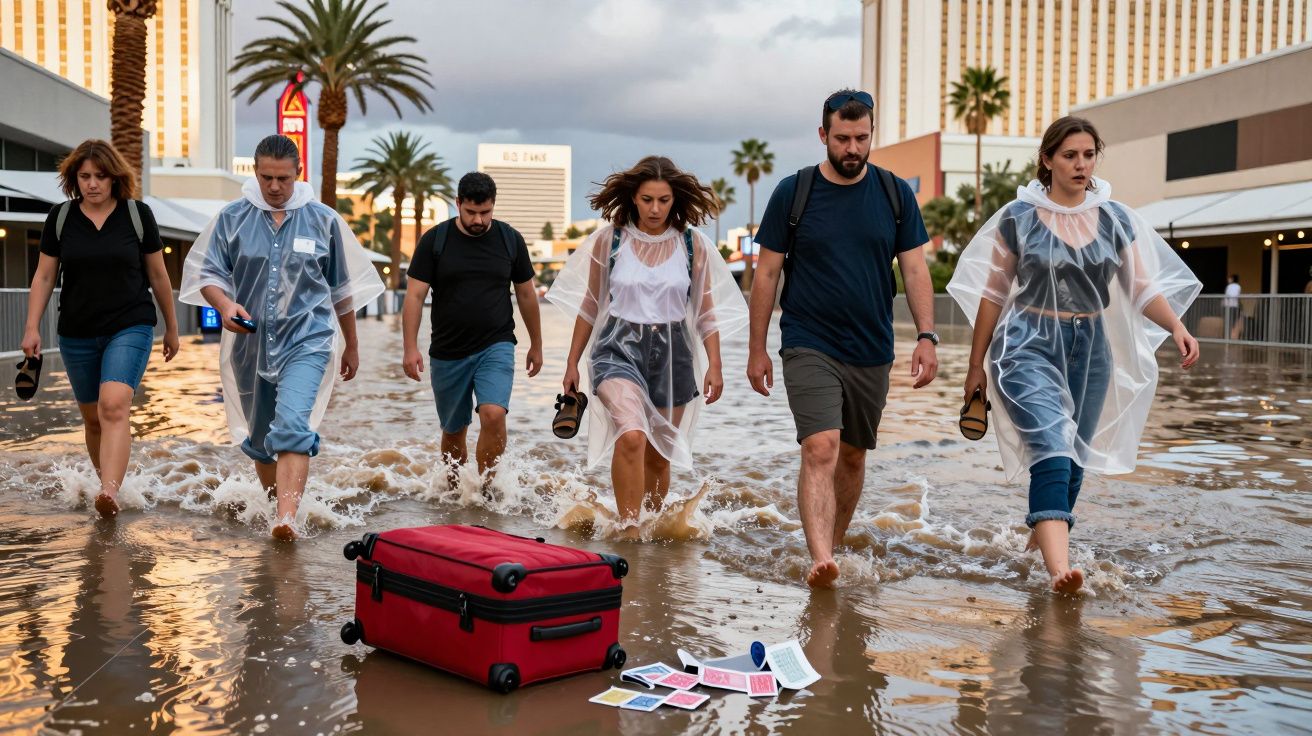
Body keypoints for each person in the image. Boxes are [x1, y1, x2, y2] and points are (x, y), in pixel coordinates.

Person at [947, 116, 1201, 594]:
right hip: (1025, 345)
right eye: (1069, 155)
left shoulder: (1115, 218)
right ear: (1047, 161)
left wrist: (1178, 326)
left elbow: (1141, 288)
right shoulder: (1018, 218)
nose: (1081, 164)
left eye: (1088, 155)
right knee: (1054, 449)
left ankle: (1036, 549)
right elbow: (993, 294)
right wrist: (974, 365)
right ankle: (1060, 573)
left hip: (1091, 352)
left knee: (1076, 461)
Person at [746, 89, 939, 588]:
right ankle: (820, 559)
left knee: (853, 454)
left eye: (862, 138)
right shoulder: (794, 192)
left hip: (871, 347)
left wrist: (927, 335)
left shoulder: (895, 193)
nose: (852, 148)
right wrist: (757, 348)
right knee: (822, 447)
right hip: (808, 340)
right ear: (823, 136)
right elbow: (766, 274)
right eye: (842, 138)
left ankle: (830, 545)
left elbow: (915, 269)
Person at [180, 135, 384, 541]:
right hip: (250, 344)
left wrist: (352, 346)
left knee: (292, 424)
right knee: (260, 442)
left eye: (283, 179)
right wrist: (223, 306)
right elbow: (209, 275)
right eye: (266, 177)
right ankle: (279, 505)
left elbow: (341, 290)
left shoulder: (323, 220)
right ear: (254, 172)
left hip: (308, 340)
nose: (274, 187)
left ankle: (286, 520)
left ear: (298, 174)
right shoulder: (233, 218)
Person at [547, 156, 747, 539]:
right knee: (632, 434)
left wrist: (716, 364)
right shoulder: (611, 240)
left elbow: (706, 312)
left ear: (675, 200)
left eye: (663, 200)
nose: (655, 209)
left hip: (674, 354)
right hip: (616, 347)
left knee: (659, 455)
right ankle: (630, 529)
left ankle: (654, 526)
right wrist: (572, 362)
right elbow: (590, 305)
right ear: (633, 198)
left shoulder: (692, 244)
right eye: (647, 199)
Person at [21, 139, 179, 519]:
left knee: (113, 406)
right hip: (76, 331)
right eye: (85, 176)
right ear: (75, 179)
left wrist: (172, 327)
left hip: (130, 324)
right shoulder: (60, 219)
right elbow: (44, 277)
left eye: (100, 176)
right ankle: (105, 485)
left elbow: (158, 275)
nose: (93, 183)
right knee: (92, 418)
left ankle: (109, 490)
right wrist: (31, 328)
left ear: (114, 178)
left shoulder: (137, 215)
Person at [401, 172, 542, 480]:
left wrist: (537, 344)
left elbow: (527, 293)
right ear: (458, 204)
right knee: (453, 432)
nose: (479, 220)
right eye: (471, 212)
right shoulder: (435, 241)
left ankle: (489, 493)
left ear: (493, 205)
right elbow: (414, 296)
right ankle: (454, 493)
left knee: (493, 415)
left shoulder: (509, 239)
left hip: (497, 344)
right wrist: (410, 348)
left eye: (485, 212)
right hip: (447, 352)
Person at [1224, 274, 1243, 339]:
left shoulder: (1229, 286)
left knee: (1229, 322)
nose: (1228, 279)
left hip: (1228, 306)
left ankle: (1228, 336)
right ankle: (1232, 336)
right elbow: (1238, 296)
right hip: (1235, 306)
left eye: (1230, 278)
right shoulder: (1238, 286)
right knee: (1233, 322)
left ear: (1233, 279)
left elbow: (1227, 296)